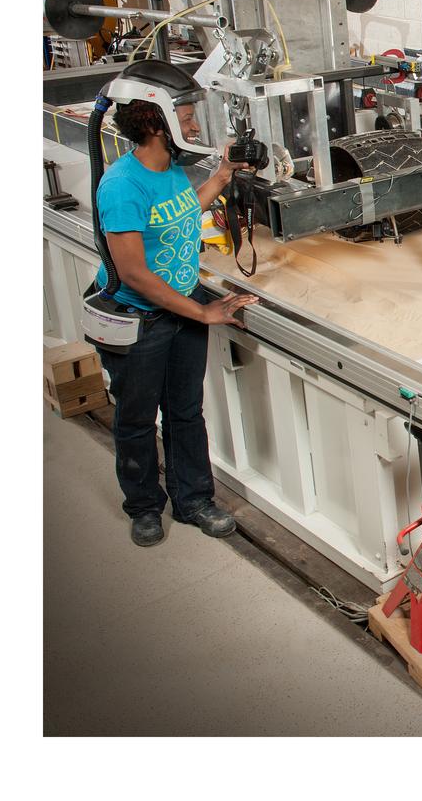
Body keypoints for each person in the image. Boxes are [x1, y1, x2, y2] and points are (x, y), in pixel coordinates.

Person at [92, 60, 260, 547]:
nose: (191, 122)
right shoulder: (123, 185)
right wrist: (206, 312)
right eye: (184, 113)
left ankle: (193, 501)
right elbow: (135, 274)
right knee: (138, 417)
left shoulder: (169, 172)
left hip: (181, 311)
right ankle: (144, 507)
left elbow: (184, 213)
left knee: (185, 411)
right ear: (153, 120)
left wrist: (223, 175)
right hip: (141, 321)